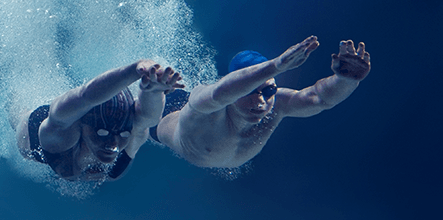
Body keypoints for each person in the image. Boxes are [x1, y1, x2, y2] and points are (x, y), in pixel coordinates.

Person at [154, 36, 371, 168]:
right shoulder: (207, 103)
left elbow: (319, 98)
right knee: (137, 112)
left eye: (268, 90)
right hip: (161, 116)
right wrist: (276, 66)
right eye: (249, 91)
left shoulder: (277, 104)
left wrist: (346, 80)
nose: (260, 101)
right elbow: (220, 92)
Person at [12, 60, 184, 181]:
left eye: (123, 133)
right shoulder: (61, 133)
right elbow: (84, 97)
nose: (113, 143)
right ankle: (12, 96)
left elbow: (149, 117)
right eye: (102, 133)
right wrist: (134, 70)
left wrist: (153, 91)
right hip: (36, 133)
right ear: (81, 124)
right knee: (18, 113)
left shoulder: (133, 131)